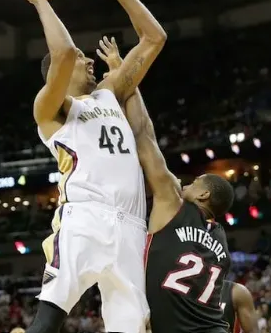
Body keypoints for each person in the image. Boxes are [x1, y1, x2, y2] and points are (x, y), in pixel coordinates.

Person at [10, 0, 166, 333]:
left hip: (131, 226)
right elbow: (63, 53)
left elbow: (154, 37)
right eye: (84, 58)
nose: (89, 60)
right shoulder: (51, 109)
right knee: (48, 322)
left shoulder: (111, 92)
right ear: (59, 74)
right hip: (84, 219)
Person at [95, 36, 235, 333]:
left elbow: (143, 134)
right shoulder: (221, 241)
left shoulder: (174, 203)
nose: (186, 184)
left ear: (204, 194)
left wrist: (124, 75)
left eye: (194, 182)